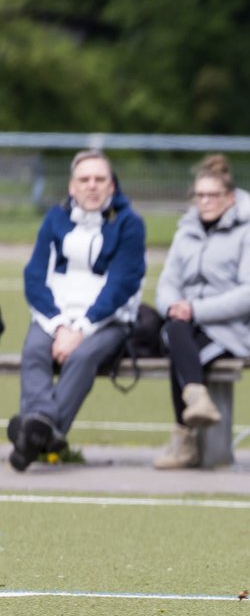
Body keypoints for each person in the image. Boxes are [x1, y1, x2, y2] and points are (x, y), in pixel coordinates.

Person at [7, 150, 146, 471]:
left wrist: (81, 328)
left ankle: (33, 430)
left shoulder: (130, 224)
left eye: (100, 179)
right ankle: (45, 431)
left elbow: (122, 285)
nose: (92, 186)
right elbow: (35, 277)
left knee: (83, 357)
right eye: (84, 180)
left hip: (108, 321)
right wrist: (58, 326)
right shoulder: (54, 219)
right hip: (56, 317)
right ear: (72, 186)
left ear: (112, 186)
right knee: (34, 352)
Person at [152, 154, 250, 469]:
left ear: (230, 198)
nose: (205, 201)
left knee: (176, 339)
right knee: (173, 330)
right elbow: (166, 283)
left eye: (212, 195)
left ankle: (184, 440)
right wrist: (174, 306)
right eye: (200, 195)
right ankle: (196, 398)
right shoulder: (185, 234)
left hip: (232, 329)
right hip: (188, 325)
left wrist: (195, 309)